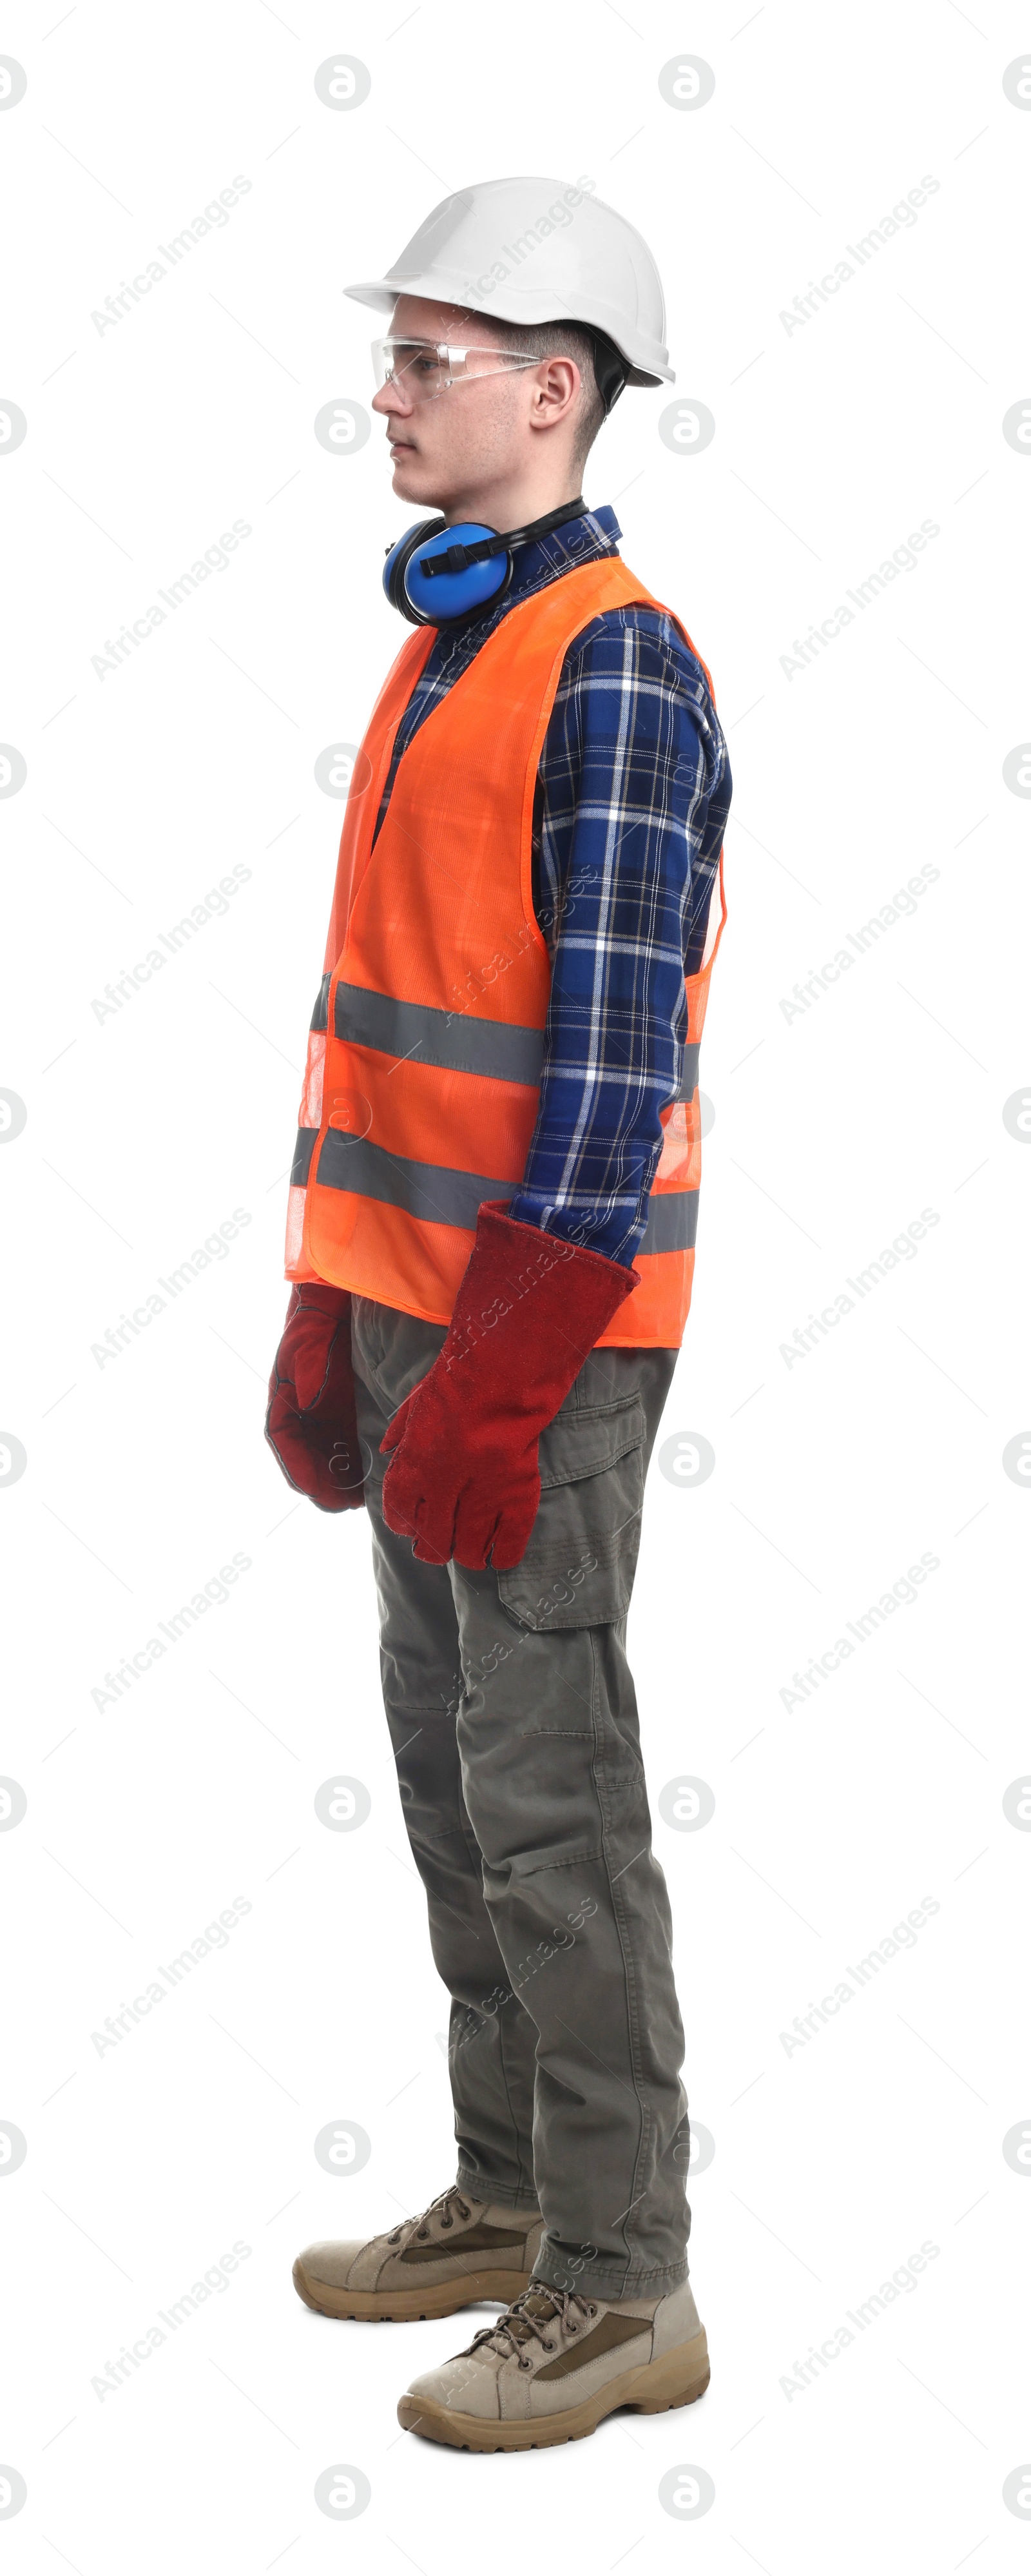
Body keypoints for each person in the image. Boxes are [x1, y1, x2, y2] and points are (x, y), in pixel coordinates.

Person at [266, 174, 731, 2454]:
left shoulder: (612, 661)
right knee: (464, 1789)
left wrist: (506, 1367)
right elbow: (394, 1016)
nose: (390, 391)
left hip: (529, 1346)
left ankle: (626, 2281)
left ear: (556, 391)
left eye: (428, 359)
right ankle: (516, 2184)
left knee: (553, 1797)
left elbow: (612, 1056)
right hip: (412, 1317)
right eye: (396, 355)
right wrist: (325, 1300)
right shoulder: (448, 632)